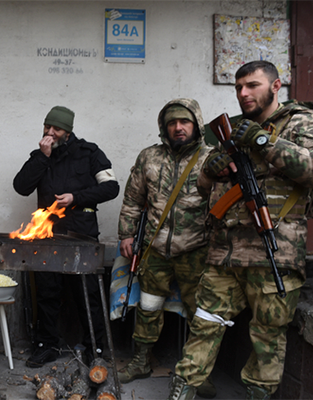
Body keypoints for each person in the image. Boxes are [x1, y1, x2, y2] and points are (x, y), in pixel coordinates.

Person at [169, 61, 313, 400]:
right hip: (224, 252)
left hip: (275, 250)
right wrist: (210, 171)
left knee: (268, 334)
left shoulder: (303, 122)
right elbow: (205, 189)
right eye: (238, 87)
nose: (244, 94)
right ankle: (182, 390)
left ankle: (259, 394)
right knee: (203, 324)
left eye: (253, 86)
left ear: (276, 86)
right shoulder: (231, 131)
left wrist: (264, 141)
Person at [117, 99, 216, 398]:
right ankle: (141, 361)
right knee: (148, 308)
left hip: (196, 248)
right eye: (172, 122)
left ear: (196, 124)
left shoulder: (210, 159)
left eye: (184, 122)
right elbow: (133, 200)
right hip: (155, 249)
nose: (178, 127)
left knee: (201, 315)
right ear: (164, 127)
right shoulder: (149, 157)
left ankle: (198, 374)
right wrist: (126, 234)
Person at [13, 105, 120, 368]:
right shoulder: (41, 155)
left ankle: (95, 348)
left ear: (68, 131)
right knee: (47, 292)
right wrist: (43, 156)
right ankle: (46, 345)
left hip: (81, 234)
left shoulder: (89, 153)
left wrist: (77, 198)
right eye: (47, 127)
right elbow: (20, 186)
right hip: (47, 235)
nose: (50, 132)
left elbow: (111, 187)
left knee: (87, 294)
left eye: (56, 129)